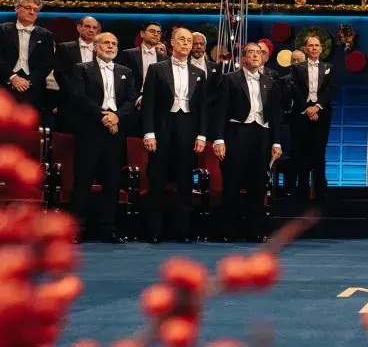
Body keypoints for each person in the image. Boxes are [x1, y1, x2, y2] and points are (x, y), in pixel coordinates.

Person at [142, 28, 209, 243]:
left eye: (189, 41)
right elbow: (148, 105)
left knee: (185, 179)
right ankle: (154, 230)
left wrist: (201, 135)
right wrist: (149, 133)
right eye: (182, 39)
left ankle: (182, 231)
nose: (186, 44)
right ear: (171, 42)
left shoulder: (199, 73)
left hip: (187, 126)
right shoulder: (156, 69)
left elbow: (203, 107)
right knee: (157, 178)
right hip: (162, 125)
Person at [68, 32, 136, 243]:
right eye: (106, 43)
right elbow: (78, 98)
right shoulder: (82, 69)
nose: (110, 46)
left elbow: (132, 100)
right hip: (90, 130)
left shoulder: (126, 72)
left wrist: (116, 117)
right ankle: (78, 228)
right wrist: (104, 116)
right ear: (96, 47)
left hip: (116, 131)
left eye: (114, 43)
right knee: (84, 180)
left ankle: (107, 228)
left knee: (112, 181)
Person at [212, 43, 282, 242]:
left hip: (261, 134)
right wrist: (218, 139)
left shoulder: (270, 81)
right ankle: (228, 231)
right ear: (243, 58)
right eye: (251, 52)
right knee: (232, 183)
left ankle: (255, 230)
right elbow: (220, 111)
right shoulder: (229, 79)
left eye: (259, 53)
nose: (255, 56)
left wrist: (277, 142)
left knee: (257, 185)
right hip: (236, 133)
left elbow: (275, 115)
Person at [289, 36, 335, 200]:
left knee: (319, 152)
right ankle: (301, 190)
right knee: (301, 152)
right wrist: (307, 109)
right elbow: (294, 88)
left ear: (321, 49)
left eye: (317, 45)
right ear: (306, 49)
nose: (314, 48)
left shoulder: (328, 67)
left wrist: (317, 107)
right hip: (302, 113)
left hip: (322, 113)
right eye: (311, 46)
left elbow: (330, 89)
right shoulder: (297, 67)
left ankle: (320, 189)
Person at [0, 0, 54, 113]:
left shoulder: (46, 35)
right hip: (4, 82)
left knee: (29, 125)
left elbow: (48, 63)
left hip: (32, 86)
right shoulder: (2, 30)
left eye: (35, 10)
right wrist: (12, 77)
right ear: (17, 8)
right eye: (28, 8)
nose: (32, 12)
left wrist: (29, 82)